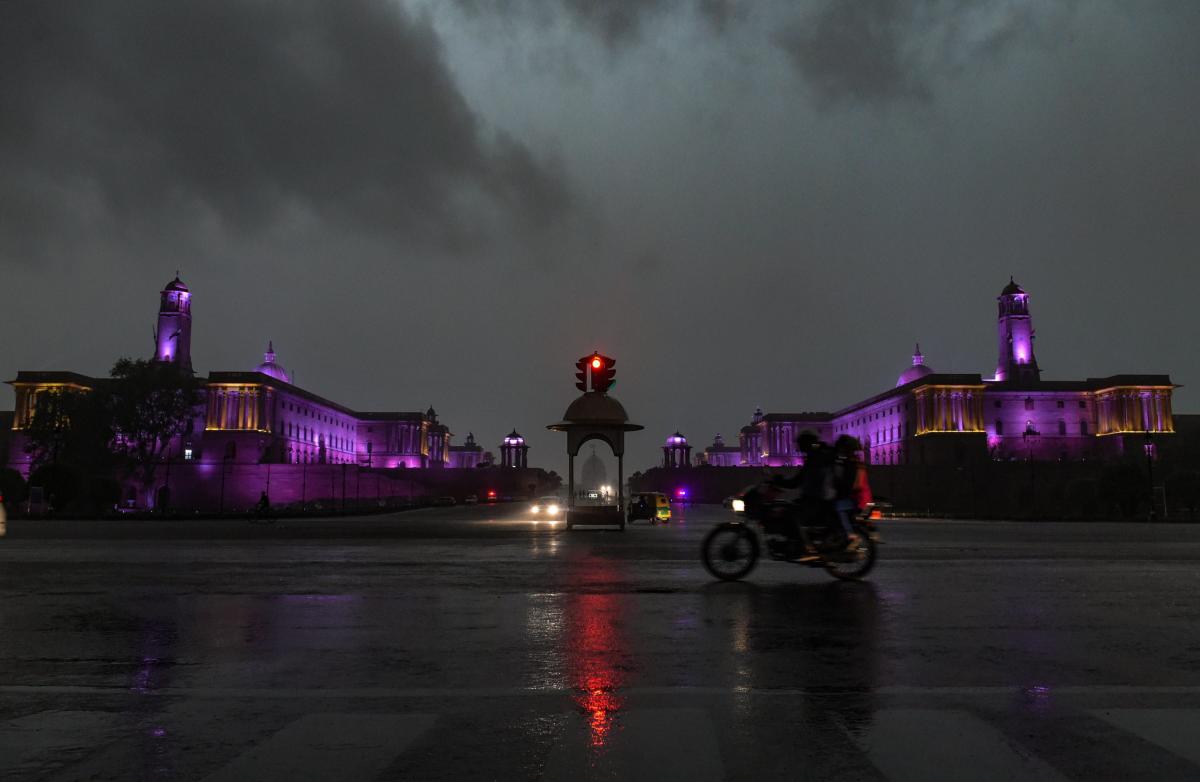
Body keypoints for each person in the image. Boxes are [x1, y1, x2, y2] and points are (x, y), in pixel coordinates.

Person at [832, 436, 866, 550]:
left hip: (848, 496)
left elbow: (841, 479)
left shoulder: (846, 462)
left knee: (838, 509)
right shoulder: (854, 462)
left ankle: (850, 535)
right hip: (851, 495)